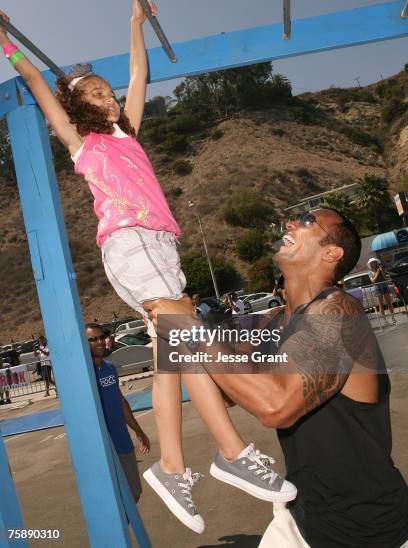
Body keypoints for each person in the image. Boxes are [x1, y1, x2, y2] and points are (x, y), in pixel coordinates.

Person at [0, 5, 293, 534]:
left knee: (172, 358)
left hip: (162, 249)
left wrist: (135, 25)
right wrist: (5, 41)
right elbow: (32, 78)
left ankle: (175, 467)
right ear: (77, 106)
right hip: (131, 244)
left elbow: (140, 75)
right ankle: (229, 451)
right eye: (97, 94)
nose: (110, 97)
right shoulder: (80, 141)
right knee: (189, 346)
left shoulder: (128, 135)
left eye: (109, 92)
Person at [149, 208, 408, 548]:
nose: (291, 223)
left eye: (306, 221)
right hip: (302, 516)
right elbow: (225, 386)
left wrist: (191, 331)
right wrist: (162, 326)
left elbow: (275, 406)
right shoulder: (272, 324)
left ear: (332, 253)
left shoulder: (339, 311)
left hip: (369, 530)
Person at [86, 322, 150, 503]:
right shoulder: (84, 374)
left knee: (134, 494)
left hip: (122, 440)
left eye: (101, 337)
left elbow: (121, 402)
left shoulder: (109, 367)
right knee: (113, 498)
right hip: (102, 446)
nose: (99, 342)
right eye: (92, 339)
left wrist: (139, 431)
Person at [368, 257, 397, 325]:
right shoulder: (370, 272)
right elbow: (373, 280)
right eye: (372, 263)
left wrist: (382, 271)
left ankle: (393, 317)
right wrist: (378, 272)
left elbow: (385, 278)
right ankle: (384, 320)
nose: (374, 264)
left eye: (375, 262)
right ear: (370, 264)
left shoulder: (381, 269)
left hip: (384, 287)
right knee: (381, 305)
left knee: (388, 302)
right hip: (377, 288)